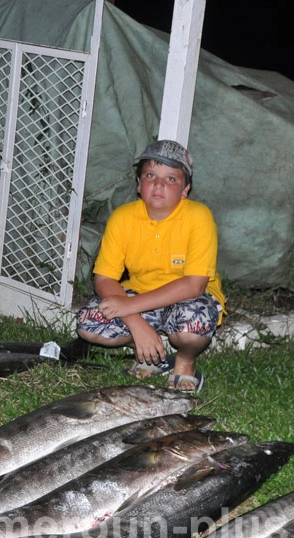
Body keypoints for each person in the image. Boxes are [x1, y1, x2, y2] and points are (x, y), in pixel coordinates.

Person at [75, 139, 225, 392]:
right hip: (140, 295)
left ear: (185, 189)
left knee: (192, 327)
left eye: (171, 179)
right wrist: (137, 323)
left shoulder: (199, 217)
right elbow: (104, 278)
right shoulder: (122, 217)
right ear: (138, 184)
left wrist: (129, 306)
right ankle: (149, 353)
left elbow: (194, 284)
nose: (158, 185)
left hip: (188, 298)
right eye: (150, 175)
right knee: (89, 324)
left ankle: (185, 362)